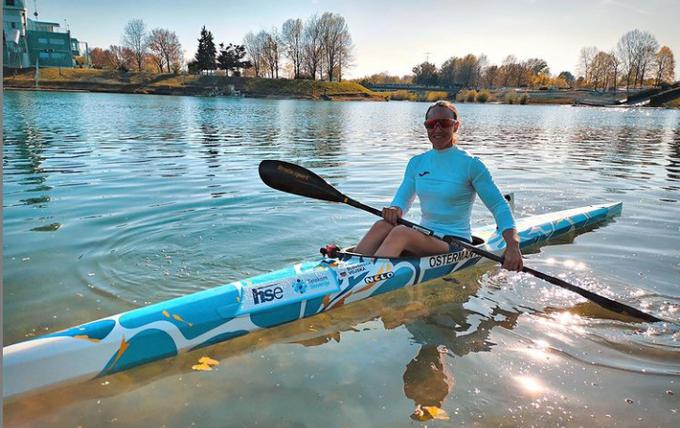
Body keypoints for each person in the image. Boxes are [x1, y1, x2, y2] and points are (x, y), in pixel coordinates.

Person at [353, 100, 523, 271]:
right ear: (426, 127)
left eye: (445, 123)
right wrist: (395, 210)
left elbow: (499, 206)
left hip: (455, 242)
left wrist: (513, 246)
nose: (437, 129)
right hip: (424, 235)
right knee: (383, 225)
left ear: (455, 126)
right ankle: (350, 268)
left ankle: (366, 277)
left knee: (400, 233)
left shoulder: (471, 164)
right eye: (431, 124)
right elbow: (402, 200)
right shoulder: (417, 162)